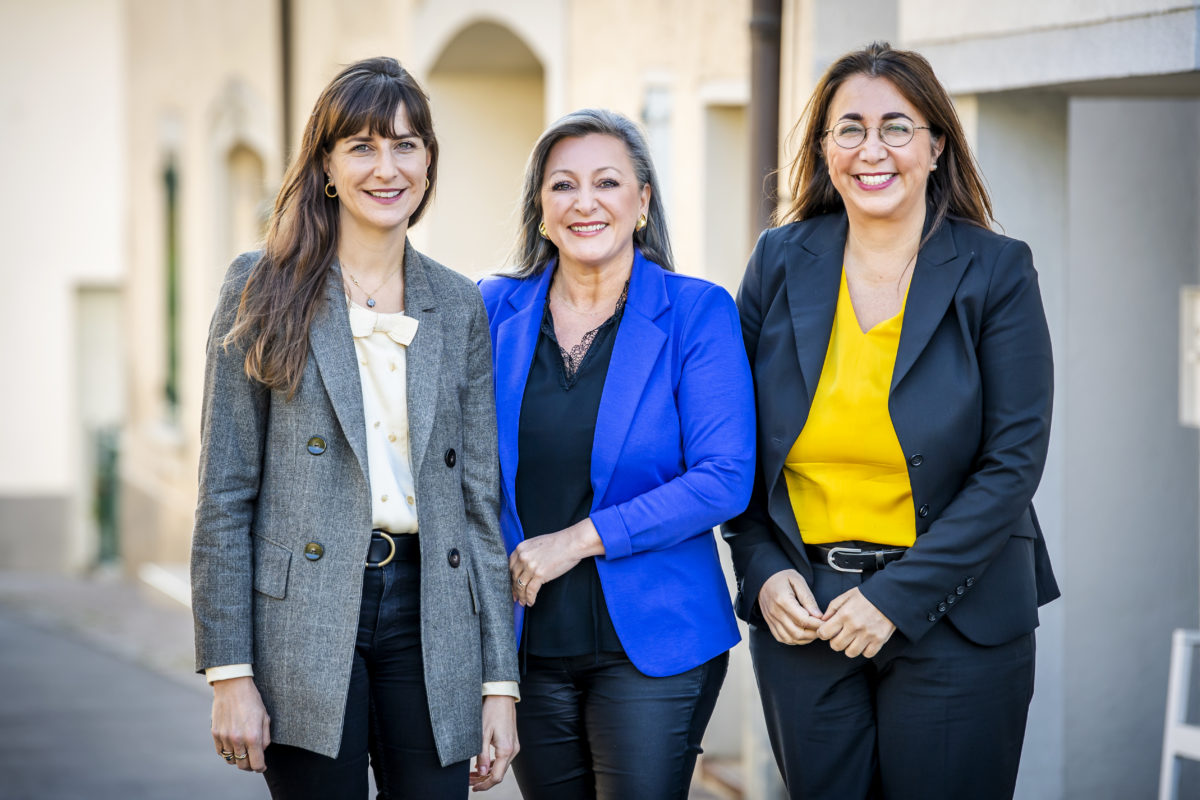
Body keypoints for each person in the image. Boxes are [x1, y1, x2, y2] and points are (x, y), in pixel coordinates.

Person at [722, 42, 1060, 800]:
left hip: (958, 617)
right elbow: (730, 446)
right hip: (805, 620)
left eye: (896, 127)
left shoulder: (996, 271)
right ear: (824, 150)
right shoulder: (777, 261)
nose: (871, 150)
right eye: (849, 129)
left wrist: (894, 599)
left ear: (937, 144)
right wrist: (762, 568)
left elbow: (1012, 464)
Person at [190, 57, 519, 799]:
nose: (387, 166)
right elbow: (225, 492)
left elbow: (478, 505)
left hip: (431, 611)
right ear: (328, 167)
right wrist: (229, 673)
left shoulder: (457, 302)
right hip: (303, 616)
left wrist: (500, 682)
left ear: (429, 162)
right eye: (363, 146)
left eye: (407, 145)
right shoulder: (262, 285)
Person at [477, 108, 755, 799]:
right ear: (540, 210)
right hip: (525, 645)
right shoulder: (488, 312)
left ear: (642, 202)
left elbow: (724, 479)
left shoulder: (697, 312)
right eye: (563, 186)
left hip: (655, 643)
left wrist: (577, 540)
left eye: (607, 182)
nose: (585, 202)